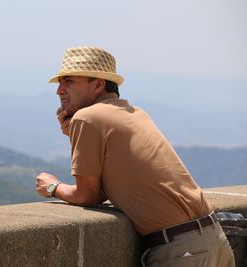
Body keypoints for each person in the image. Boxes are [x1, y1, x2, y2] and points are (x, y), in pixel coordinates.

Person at [35, 46, 235, 266]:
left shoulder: (87, 118)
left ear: (98, 84)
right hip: (214, 239)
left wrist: (53, 187)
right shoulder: (136, 113)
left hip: (182, 250)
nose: (59, 90)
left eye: (69, 81)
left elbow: (88, 195)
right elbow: (114, 182)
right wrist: (76, 135)